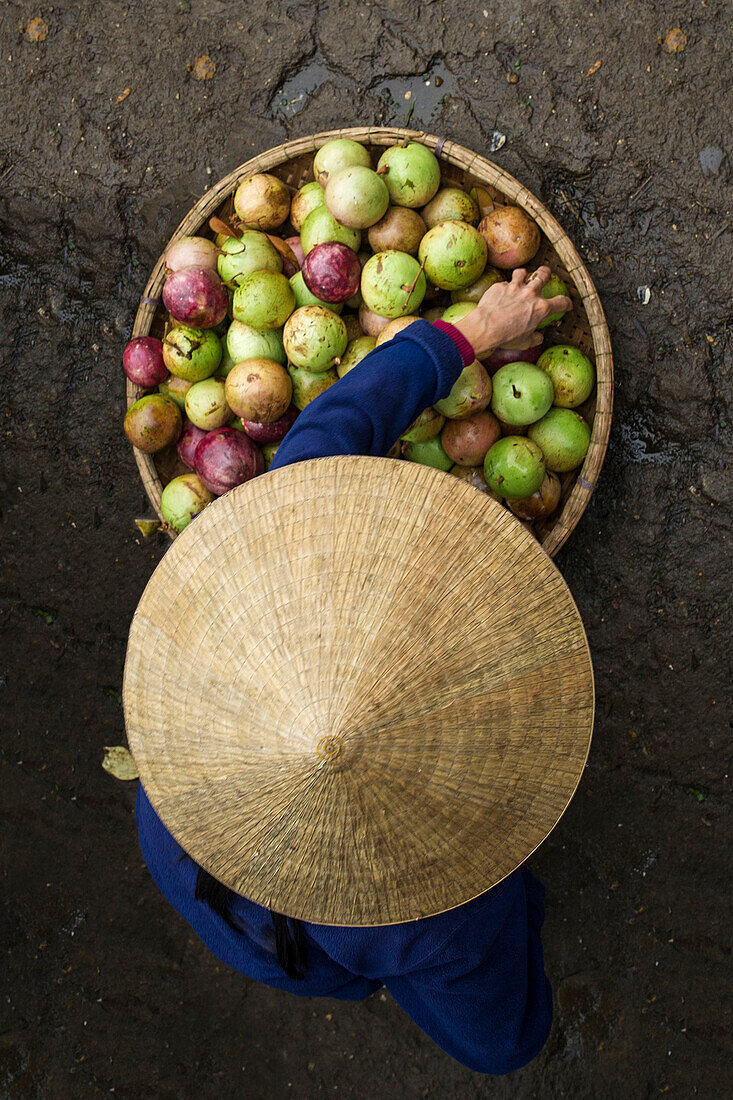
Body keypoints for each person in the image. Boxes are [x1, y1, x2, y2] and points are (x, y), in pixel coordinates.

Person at [135, 266, 572, 1075]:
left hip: (178, 851)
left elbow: (333, 428)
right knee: (463, 1000)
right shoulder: (443, 907)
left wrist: (468, 333)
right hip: (325, 955)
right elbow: (500, 1045)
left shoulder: (194, 709)